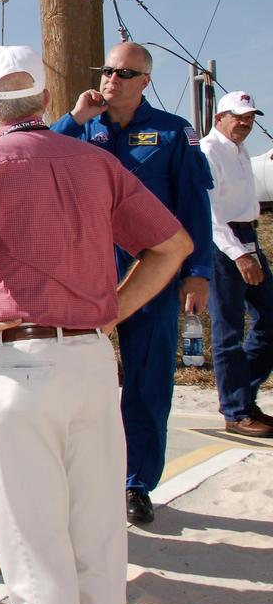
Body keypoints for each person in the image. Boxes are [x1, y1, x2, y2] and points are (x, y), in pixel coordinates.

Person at [0, 44, 191, 604]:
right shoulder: (96, 162)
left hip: (18, 367)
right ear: (44, 99)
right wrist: (110, 312)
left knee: (36, 554)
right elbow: (173, 246)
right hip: (89, 362)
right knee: (99, 541)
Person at [52, 41, 213, 524]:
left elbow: (193, 207)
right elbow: (41, 155)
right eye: (107, 71)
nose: (111, 80)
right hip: (87, 271)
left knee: (147, 377)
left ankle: (137, 482)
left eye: (125, 74)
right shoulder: (80, 130)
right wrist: (74, 118)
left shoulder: (172, 132)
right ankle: (80, 478)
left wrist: (197, 272)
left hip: (151, 271)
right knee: (78, 378)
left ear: (145, 81)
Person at [199, 91, 273, 438]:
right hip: (224, 244)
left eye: (249, 117)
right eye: (238, 116)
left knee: (269, 319)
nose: (245, 123)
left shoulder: (239, 151)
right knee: (229, 330)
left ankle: (243, 395)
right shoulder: (209, 151)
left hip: (248, 238)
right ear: (219, 119)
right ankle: (236, 410)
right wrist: (239, 254)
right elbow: (208, 212)